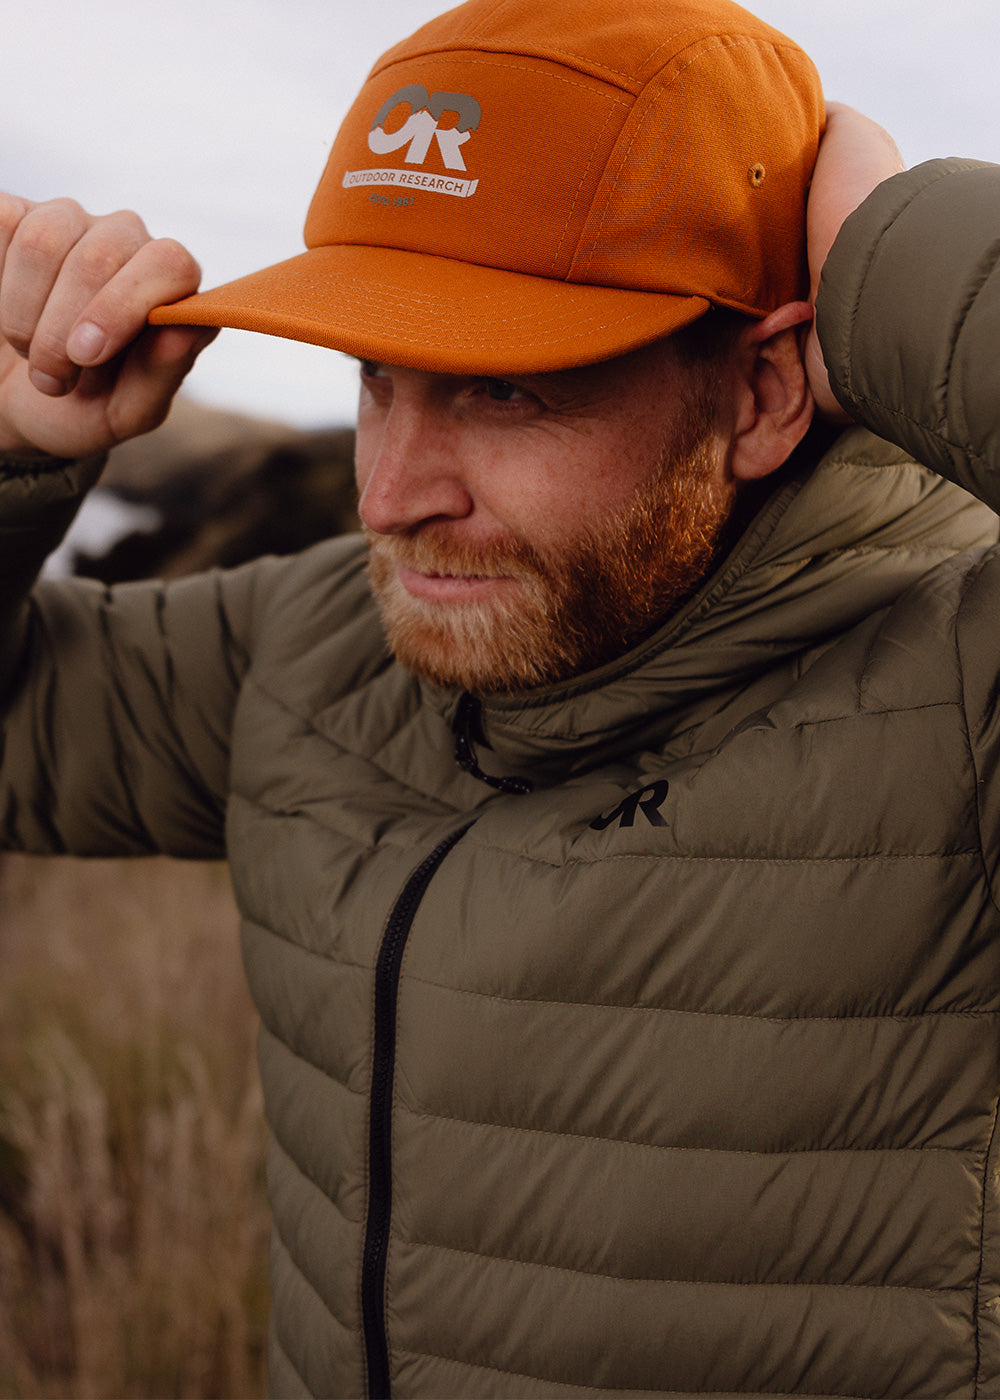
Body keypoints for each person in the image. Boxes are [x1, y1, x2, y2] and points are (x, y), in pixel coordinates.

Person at [1, 0, 998, 1394]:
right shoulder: (319, 644)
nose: (394, 498)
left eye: (510, 392)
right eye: (377, 380)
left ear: (767, 389)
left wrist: (891, 255)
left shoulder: (959, 696)